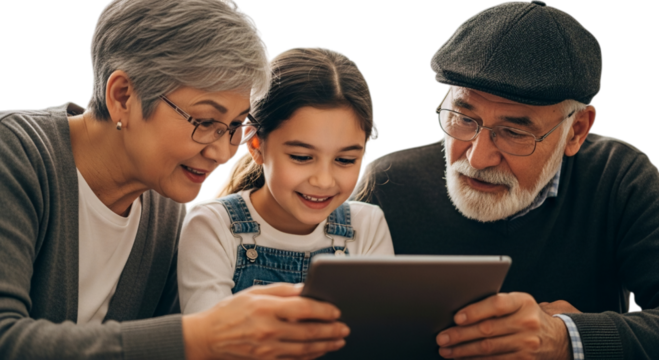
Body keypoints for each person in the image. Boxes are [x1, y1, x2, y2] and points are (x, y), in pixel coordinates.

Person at [0, 1, 350, 359]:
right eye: (203, 122)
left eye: (234, 128)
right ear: (123, 96)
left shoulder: (167, 209)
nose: (221, 152)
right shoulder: (14, 153)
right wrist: (200, 337)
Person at [352, 1, 659, 359]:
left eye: (514, 132)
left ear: (576, 131)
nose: (478, 158)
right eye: (463, 119)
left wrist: (566, 338)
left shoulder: (620, 179)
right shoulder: (388, 184)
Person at [178, 47, 395, 314]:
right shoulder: (211, 226)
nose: (324, 181)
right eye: (302, 157)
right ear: (256, 144)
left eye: (345, 160)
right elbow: (209, 346)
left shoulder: (368, 226)